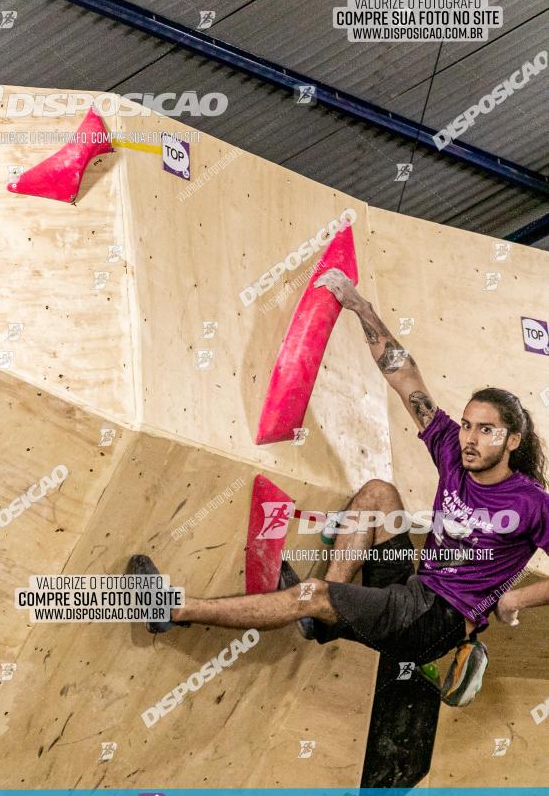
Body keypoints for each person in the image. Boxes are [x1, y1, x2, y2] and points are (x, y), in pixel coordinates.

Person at [128, 267, 549, 707]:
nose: (470, 438)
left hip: (433, 623)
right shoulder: (450, 449)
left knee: (309, 596)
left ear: (512, 441)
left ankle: (173, 610)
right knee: (377, 494)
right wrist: (360, 307)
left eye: (486, 431)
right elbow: (406, 378)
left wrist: (516, 598)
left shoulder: (532, 503)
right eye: (467, 426)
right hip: (412, 589)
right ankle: (327, 617)